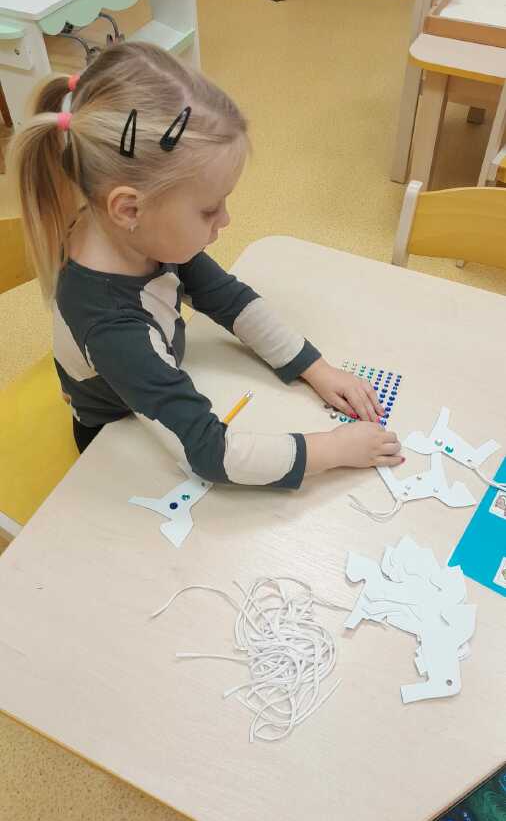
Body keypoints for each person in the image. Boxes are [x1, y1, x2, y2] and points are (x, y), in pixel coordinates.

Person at [9, 42, 402, 489]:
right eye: (209, 209)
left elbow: (229, 299)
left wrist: (317, 369)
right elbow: (212, 454)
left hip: (153, 391)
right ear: (130, 209)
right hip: (114, 436)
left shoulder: (139, 234)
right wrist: (334, 449)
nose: (226, 221)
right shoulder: (113, 325)